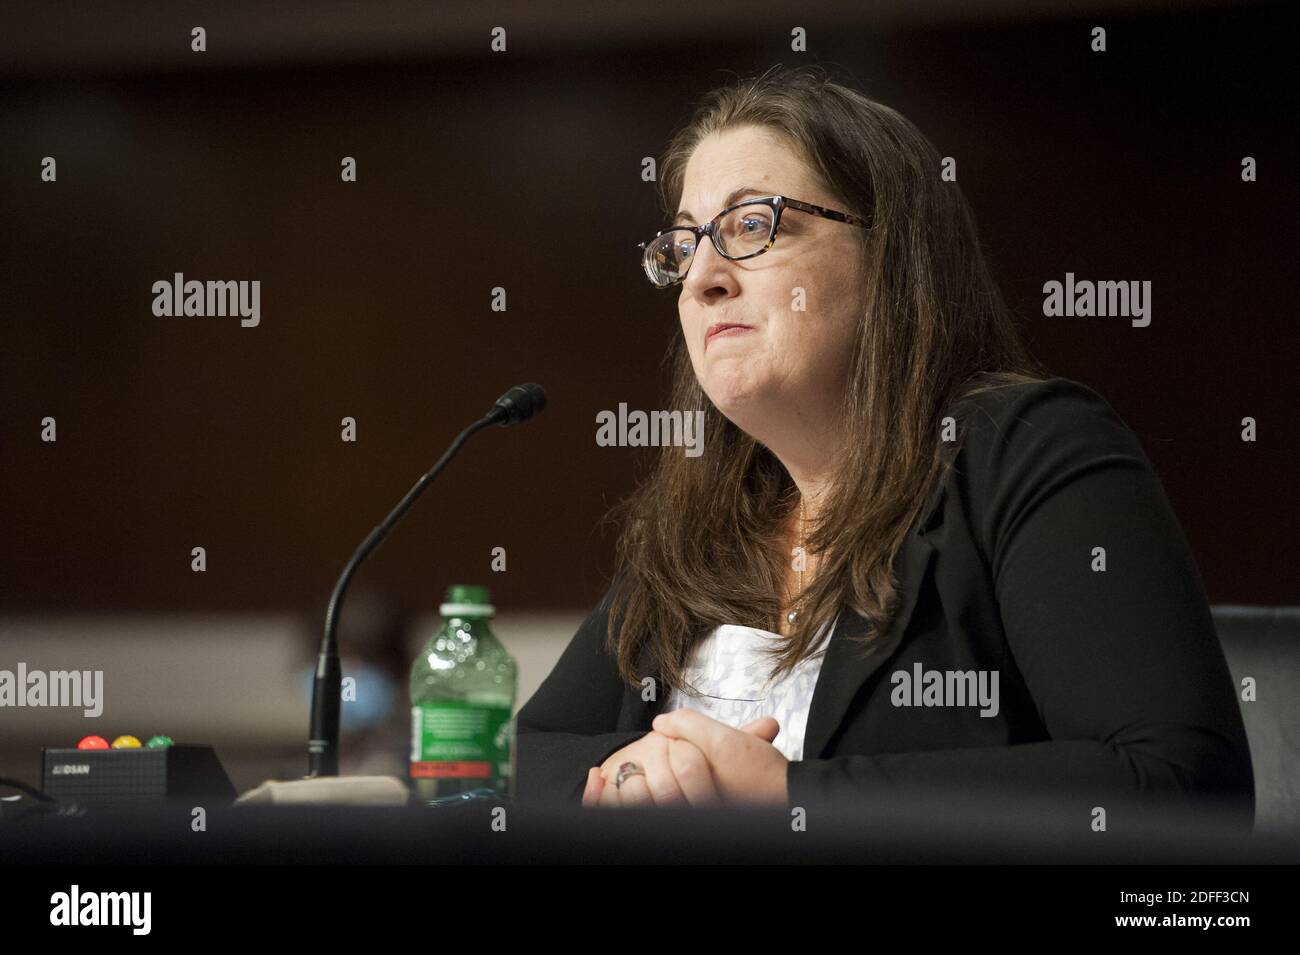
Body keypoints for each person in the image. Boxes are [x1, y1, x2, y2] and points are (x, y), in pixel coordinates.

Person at [514, 64, 1253, 826]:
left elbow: (1181, 782)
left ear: (889, 252)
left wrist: (788, 796)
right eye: (683, 243)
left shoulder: (1029, 449)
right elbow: (531, 756)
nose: (701, 276)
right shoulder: (697, 524)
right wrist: (639, 767)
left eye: (752, 224)